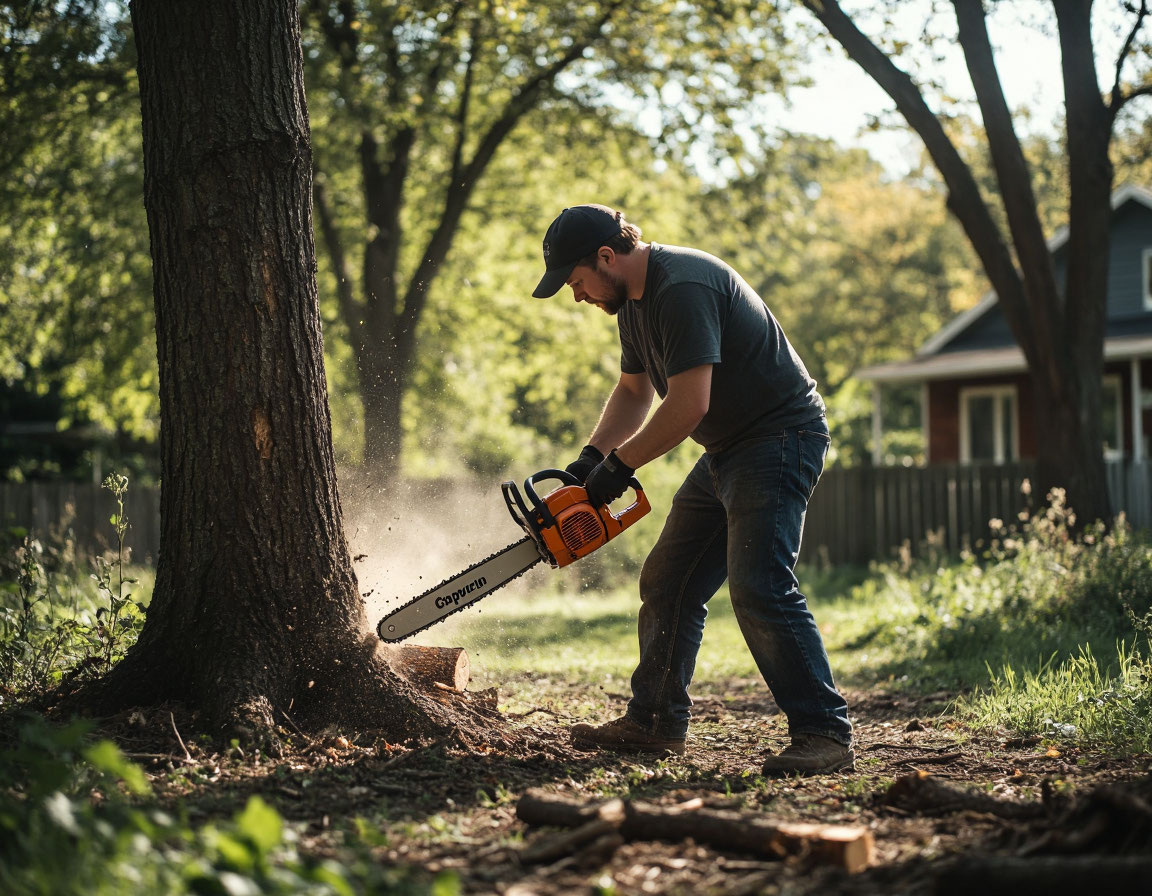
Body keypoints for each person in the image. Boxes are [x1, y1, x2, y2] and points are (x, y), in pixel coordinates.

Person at [531, 204, 854, 776]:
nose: (577, 296)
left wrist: (619, 469)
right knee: (668, 580)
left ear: (606, 257)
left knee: (760, 585)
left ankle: (823, 732)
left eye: (576, 282)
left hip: (779, 438)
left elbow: (687, 405)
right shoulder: (630, 303)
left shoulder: (682, 286)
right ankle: (654, 722)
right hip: (728, 448)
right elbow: (634, 393)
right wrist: (588, 462)